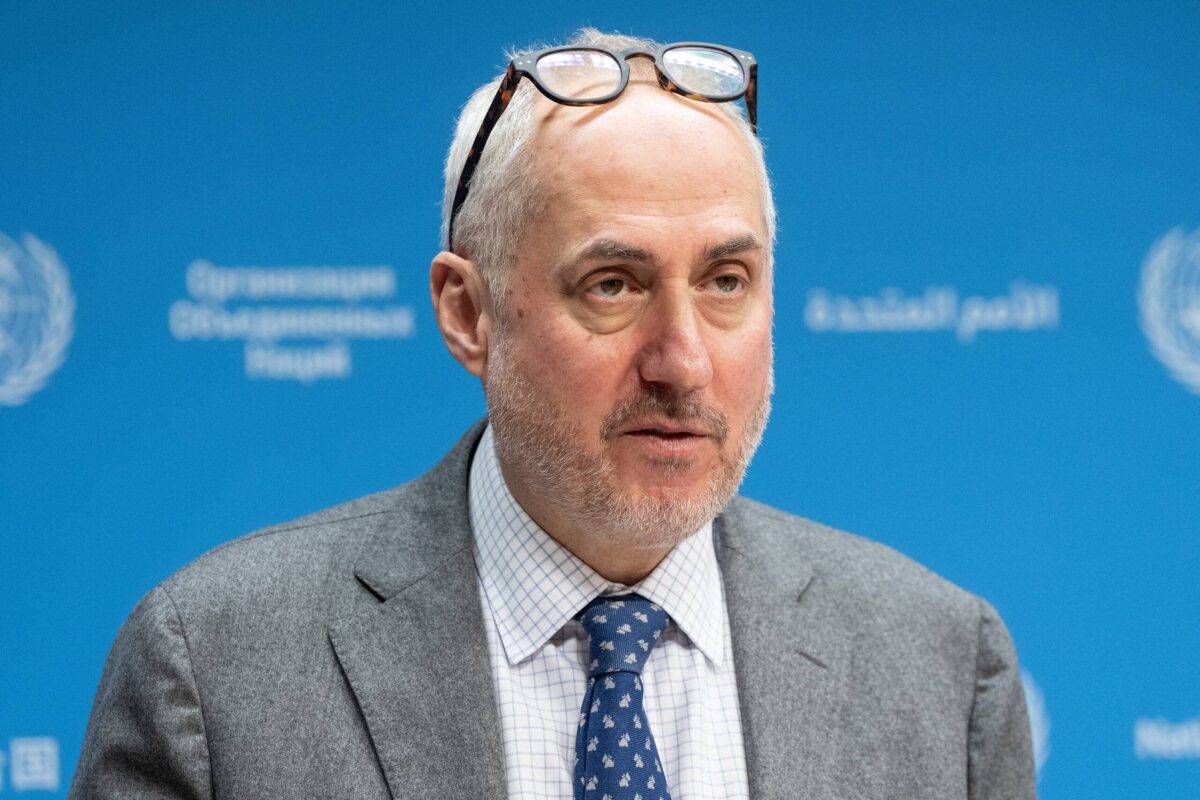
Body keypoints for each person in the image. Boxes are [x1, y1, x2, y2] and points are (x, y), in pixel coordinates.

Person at [70, 28, 1036, 800]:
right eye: (613, 284)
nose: (683, 361)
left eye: (726, 280)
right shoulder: (212, 668)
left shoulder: (942, 666)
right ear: (468, 313)